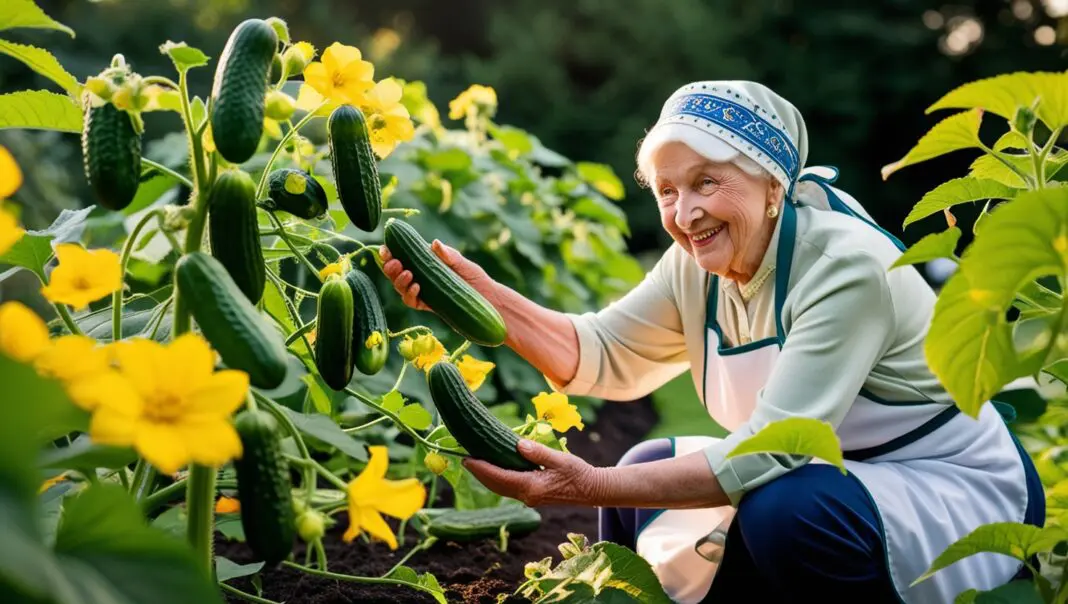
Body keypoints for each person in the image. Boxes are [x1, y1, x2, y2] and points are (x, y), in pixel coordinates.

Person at [379, 80, 1044, 603]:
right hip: (838, 476)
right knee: (649, 469)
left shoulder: (844, 264)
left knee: (782, 511)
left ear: (772, 184)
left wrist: (590, 483)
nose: (684, 213)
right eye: (667, 190)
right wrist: (475, 290)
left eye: (706, 182)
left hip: (942, 484)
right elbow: (600, 356)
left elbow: (774, 454)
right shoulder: (695, 263)